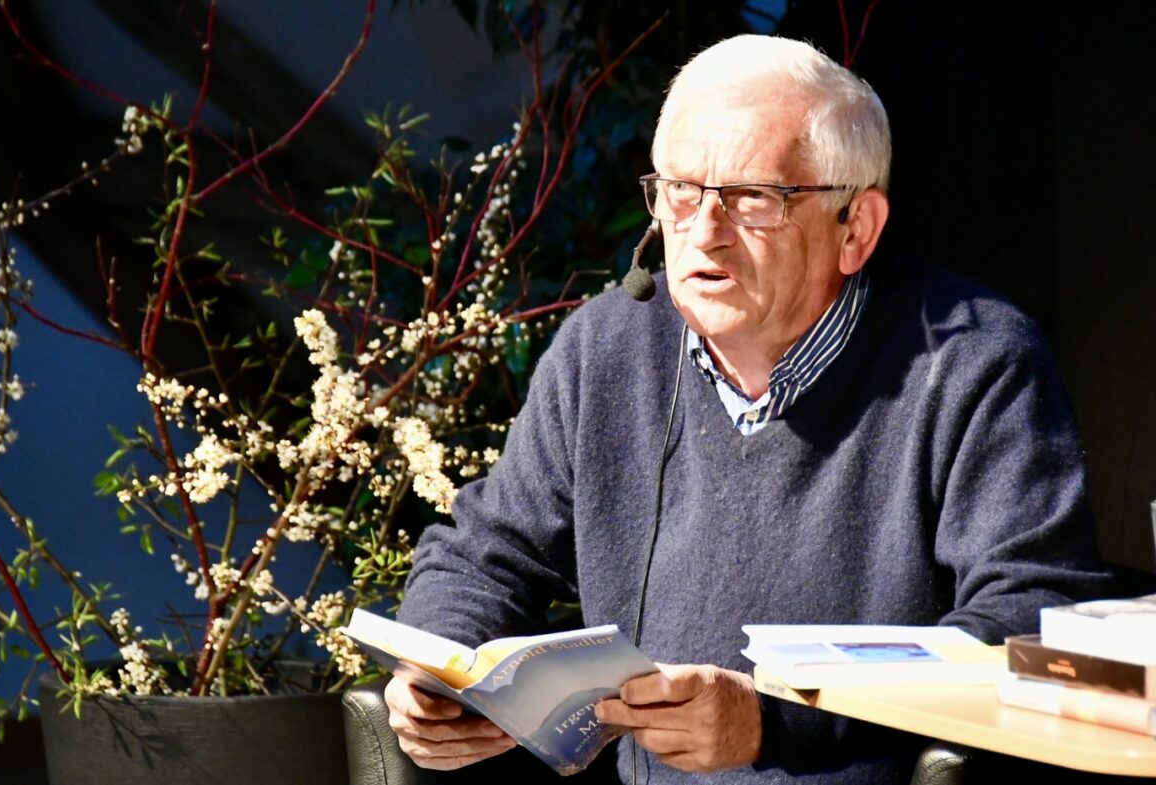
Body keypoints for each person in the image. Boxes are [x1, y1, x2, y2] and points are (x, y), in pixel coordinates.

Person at [384, 34, 1110, 783]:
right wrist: (440, 675)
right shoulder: (605, 348)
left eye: (754, 198)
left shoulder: (972, 360)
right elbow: (482, 553)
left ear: (855, 227)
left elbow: (1032, 620)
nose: (704, 233)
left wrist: (778, 716)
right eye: (681, 190)